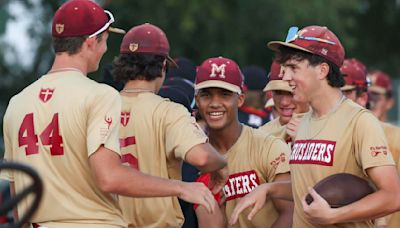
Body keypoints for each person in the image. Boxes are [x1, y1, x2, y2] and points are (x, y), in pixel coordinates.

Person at [0, 1, 220, 227]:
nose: (105, 49)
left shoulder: (18, 103)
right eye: (104, 40)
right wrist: (181, 187)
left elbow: (19, 195)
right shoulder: (99, 95)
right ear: (90, 42)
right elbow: (109, 177)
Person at [229, 25, 400, 228]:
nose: (285, 77)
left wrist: (335, 216)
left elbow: (393, 196)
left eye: (294, 68)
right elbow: (308, 188)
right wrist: (269, 189)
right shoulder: (304, 122)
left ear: (322, 70)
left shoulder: (360, 122)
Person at [113, 23, 227, 227]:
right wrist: (220, 164)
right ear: (163, 66)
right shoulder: (168, 111)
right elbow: (202, 157)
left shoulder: (99, 105)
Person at [190, 56, 293, 227]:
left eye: (224, 94)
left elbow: (290, 213)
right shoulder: (195, 156)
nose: (215, 103)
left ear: (240, 99)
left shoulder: (268, 146)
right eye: (206, 95)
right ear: (197, 100)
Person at [260, 61, 309, 143]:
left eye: (291, 92)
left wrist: (306, 143)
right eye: (278, 92)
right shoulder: (261, 135)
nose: (284, 102)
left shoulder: (325, 128)